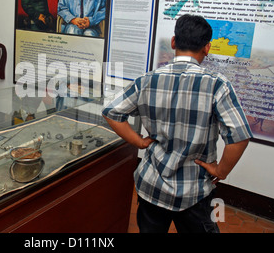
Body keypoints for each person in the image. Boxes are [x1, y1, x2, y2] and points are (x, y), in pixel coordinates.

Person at [102, 14, 253, 233]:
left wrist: (140, 142)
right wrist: (221, 170)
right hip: (195, 192)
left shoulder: (147, 80)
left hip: (151, 186)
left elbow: (111, 112)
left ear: (174, 42)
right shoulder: (217, 85)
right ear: (207, 47)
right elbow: (239, 136)